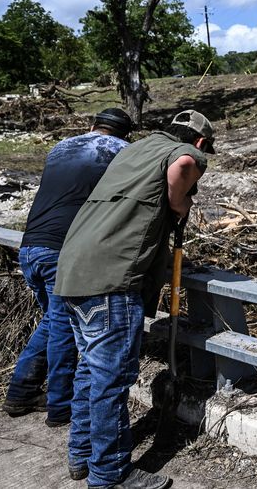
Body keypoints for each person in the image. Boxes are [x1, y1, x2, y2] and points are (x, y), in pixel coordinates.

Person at [54, 109, 215, 489]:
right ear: (201, 140)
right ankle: (110, 474)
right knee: (111, 378)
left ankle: (81, 456)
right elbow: (186, 162)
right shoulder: (184, 151)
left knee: (89, 371)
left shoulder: (133, 150)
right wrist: (181, 203)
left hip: (73, 271)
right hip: (111, 280)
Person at [3, 108, 133, 427]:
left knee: (53, 320)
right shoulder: (121, 152)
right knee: (63, 328)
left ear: (92, 126)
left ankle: (22, 391)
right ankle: (59, 405)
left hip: (30, 245)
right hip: (62, 251)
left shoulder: (61, 146)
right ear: (124, 134)